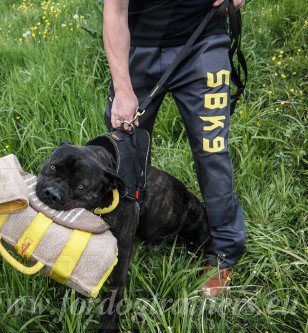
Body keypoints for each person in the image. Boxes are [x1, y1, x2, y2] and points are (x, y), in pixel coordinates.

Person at [103, 0, 246, 296]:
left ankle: (224, 252)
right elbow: (115, 11)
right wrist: (123, 89)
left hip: (202, 39)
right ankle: (118, 239)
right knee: (123, 151)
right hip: (138, 45)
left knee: (212, 151)